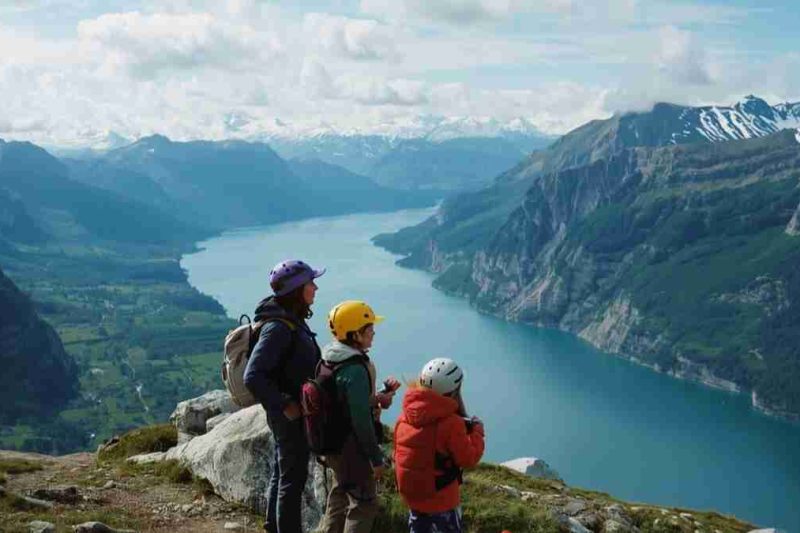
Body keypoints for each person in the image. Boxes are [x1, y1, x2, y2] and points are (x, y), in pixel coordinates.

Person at [243, 259, 325, 533]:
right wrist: (284, 404)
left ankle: (273, 524)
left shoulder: (290, 319)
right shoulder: (279, 327)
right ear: (296, 290)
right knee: (293, 477)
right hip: (288, 413)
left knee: (284, 470)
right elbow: (253, 376)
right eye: (310, 283)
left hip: (290, 410)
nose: (315, 287)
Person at [318, 300, 401, 533]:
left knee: (339, 495)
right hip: (351, 448)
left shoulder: (329, 359)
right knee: (364, 504)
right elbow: (360, 421)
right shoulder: (354, 369)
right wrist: (375, 458)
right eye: (369, 328)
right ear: (355, 334)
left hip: (333, 444)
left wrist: (380, 397)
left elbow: (346, 403)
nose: (373, 332)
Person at [393, 358, 485, 533]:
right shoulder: (451, 424)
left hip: (414, 501)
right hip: (442, 501)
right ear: (453, 392)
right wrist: (477, 432)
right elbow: (469, 458)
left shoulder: (405, 417)